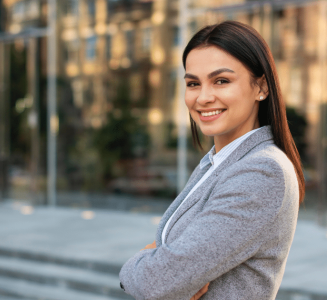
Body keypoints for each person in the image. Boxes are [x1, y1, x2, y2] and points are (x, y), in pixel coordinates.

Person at [119, 21, 305, 300]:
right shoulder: (219, 161)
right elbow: (168, 275)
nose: (203, 97)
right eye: (193, 83)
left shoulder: (263, 171)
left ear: (261, 87)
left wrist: (135, 266)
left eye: (221, 81)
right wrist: (163, 265)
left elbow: (155, 282)